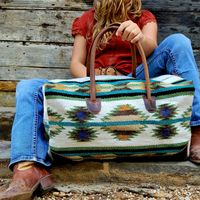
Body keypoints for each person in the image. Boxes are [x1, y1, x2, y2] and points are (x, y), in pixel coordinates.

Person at [0, 0, 199, 199]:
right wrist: (94, 83)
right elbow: (76, 64)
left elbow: (152, 48)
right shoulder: (86, 20)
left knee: (179, 42)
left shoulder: (144, 17)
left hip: (135, 81)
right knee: (28, 87)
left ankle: (197, 129)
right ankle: (27, 168)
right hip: (94, 83)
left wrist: (139, 37)